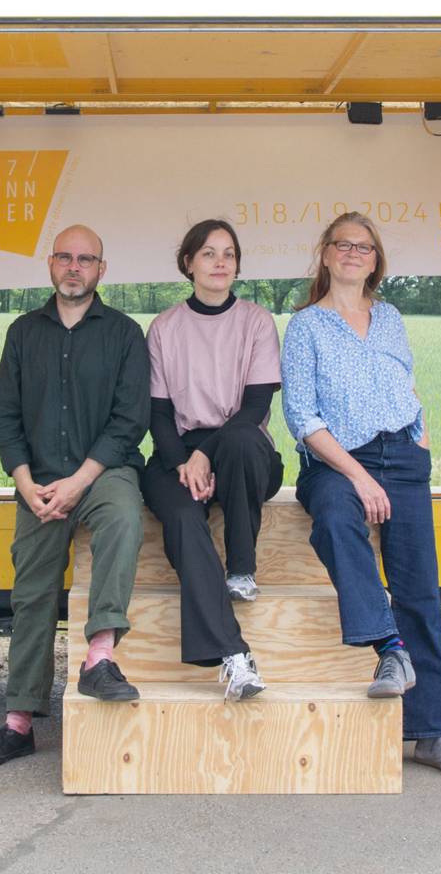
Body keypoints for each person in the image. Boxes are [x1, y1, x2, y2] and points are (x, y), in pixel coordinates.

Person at [280, 211, 441, 778]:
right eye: (343, 244)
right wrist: (360, 477)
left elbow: (405, 383)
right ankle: (389, 647)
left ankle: (433, 734)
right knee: (336, 520)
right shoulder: (306, 327)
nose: (353, 253)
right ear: (324, 255)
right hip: (337, 461)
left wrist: (421, 435)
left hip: (404, 457)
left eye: (364, 247)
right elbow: (301, 415)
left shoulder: (390, 318)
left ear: (376, 260)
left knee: (420, 590)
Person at [0, 224, 149, 769]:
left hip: (104, 471)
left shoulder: (124, 334)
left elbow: (129, 421)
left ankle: (99, 657)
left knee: (123, 517)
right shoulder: (23, 333)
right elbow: (5, 417)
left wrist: (79, 481)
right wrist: (26, 484)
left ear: (101, 270)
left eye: (86, 259)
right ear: (51, 264)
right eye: (66, 258)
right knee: (32, 594)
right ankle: (18, 723)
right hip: (38, 480)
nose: (75, 267)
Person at [140, 220, 283, 700]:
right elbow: (158, 415)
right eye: (208, 253)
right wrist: (184, 462)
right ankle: (233, 655)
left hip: (244, 456)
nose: (220, 262)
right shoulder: (163, 328)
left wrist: (206, 452)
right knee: (181, 516)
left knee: (241, 440)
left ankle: (242, 567)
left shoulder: (257, 321)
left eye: (228, 254)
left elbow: (256, 408)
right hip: (177, 451)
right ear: (188, 264)